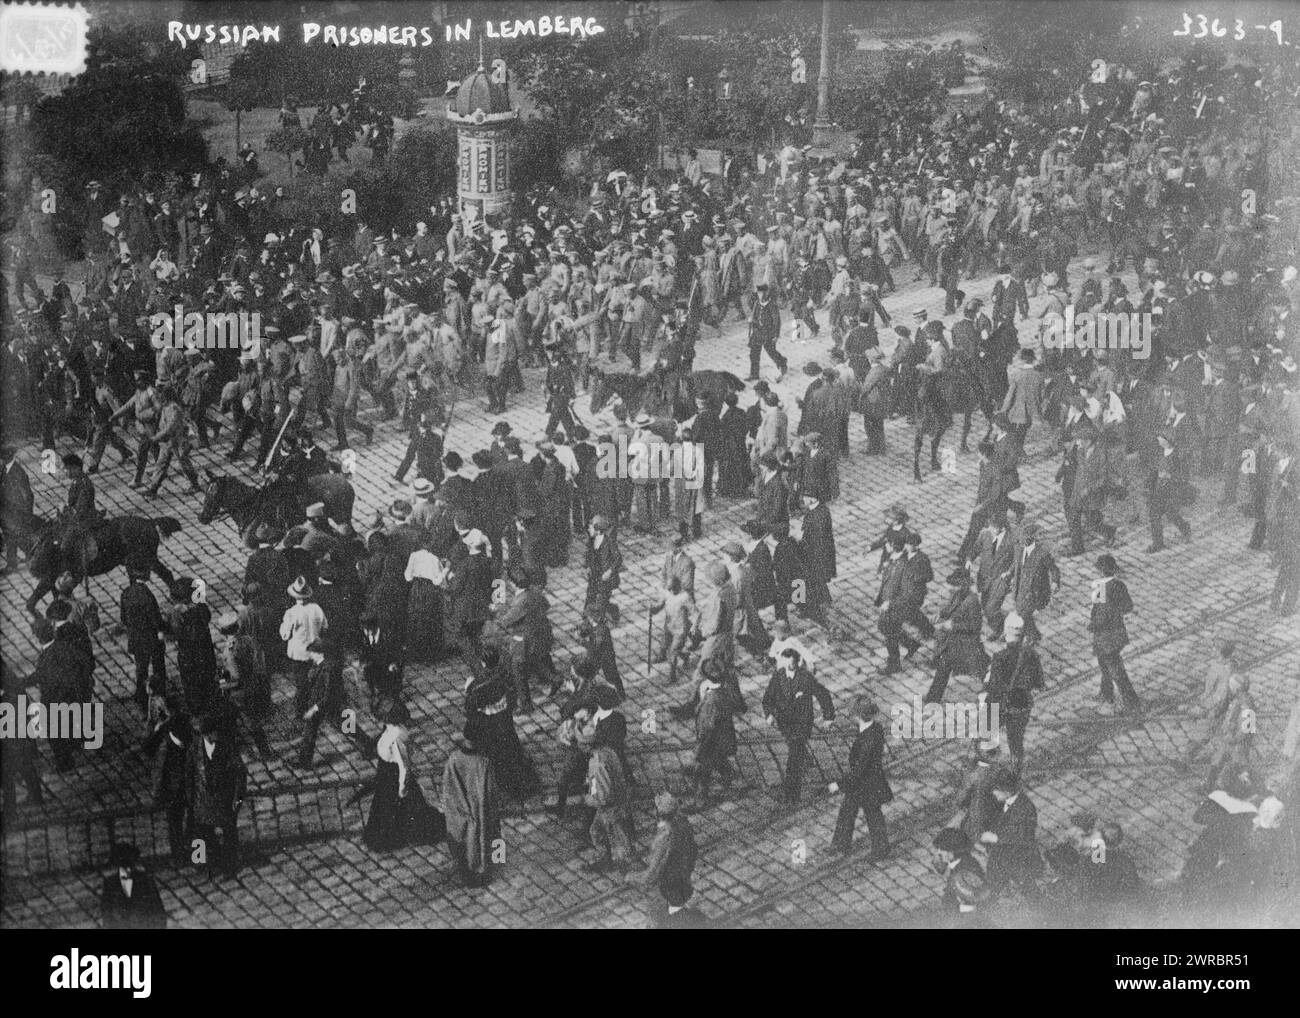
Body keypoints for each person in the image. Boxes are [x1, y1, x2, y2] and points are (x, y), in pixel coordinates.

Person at [361, 699, 443, 852]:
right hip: (385, 775)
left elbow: (404, 766)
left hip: (393, 778)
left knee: (399, 808)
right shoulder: (390, 729)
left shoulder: (398, 736)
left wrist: (402, 787)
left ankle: (395, 836)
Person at [762, 644, 834, 806]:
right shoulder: (778, 676)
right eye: (786, 664)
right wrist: (769, 714)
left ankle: (791, 795)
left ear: (797, 662)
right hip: (785, 723)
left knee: (794, 757)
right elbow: (767, 699)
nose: (789, 667)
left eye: (792, 664)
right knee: (795, 753)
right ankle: (801, 768)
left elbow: (822, 694)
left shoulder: (805, 677)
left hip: (802, 722)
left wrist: (828, 716)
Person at [184, 712, 248, 878]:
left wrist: (238, 799)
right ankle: (200, 864)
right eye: (213, 734)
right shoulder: (195, 749)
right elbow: (189, 775)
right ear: (206, 734)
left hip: (224, 800)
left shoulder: (227, 747)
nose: (216, 736)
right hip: (202, 800)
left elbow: (240, 774)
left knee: (229, 834)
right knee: (200, 835)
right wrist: (191, 800)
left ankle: (230, 866)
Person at [625, 791, 701, 928]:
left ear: (658, 813)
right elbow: (693, 851)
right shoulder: (684, 825)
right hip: (683, 878)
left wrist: (633, 877)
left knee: (656, 917)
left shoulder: (665, 835)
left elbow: (653, 871)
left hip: (667, 885)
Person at [830, 696, 892, 859]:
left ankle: (880, 849)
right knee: (848, 810)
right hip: (866, 781)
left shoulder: (867, 741)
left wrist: (839, 785)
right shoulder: (875, 728)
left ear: (857, 717)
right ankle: (841, 844)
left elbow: (858, 771)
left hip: (867, 784)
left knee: (872, 816)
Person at [442, 731, 501, 887]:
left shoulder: (454, 759)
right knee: (484, 837)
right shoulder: (484, 762)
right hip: (480, 808)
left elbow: (448, 787)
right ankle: (492, 863)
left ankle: (467, 871)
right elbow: (491, 791)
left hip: (460, 809)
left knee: (464, 840)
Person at [924, 568, 989, 703]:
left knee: (981, 670)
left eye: (956, 585)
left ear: (964, 585)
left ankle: (992, 693)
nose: (953, 588)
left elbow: (975, 626)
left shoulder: (973, 601)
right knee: (943, 667)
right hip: (954, 643)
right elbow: (950, 608)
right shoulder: (957, 595)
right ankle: (933, 698)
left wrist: (953, 625)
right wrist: (940, 615)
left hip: (968, 644)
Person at [1089, 553, 1141, 714]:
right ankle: (1106, 693)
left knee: (1115, 669)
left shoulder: (1102, 588)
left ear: (1101, 571)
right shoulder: (1118, 585)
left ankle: (1131, 701)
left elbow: (1101, 612)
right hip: (1114, 633)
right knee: (1104, 664)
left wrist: (1095, 624)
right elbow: (1128, 606)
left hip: (1106, 635)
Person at [981, 771, 1042, 901]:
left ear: (1007, 792)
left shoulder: (1025, 809)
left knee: (1028, 889)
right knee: (993, 887)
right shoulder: (1002, 801)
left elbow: (1023, 837)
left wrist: (995, 838)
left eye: (997, 790)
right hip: (1000, 856)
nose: (994, 793)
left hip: (1020, 858)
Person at [119, 566, 166, 711]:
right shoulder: (147, 595)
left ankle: (140, 694)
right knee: (158, 663)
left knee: (141, 667)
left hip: (136, 637)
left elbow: (123, 618)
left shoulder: (126, 593)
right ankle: (160, 690)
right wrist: (161, 629)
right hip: (151, 636)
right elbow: (155, 617)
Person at [99, 843, 166, 929]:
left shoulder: (145, 880)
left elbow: (158, 911)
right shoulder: (110, 883)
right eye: (123, 863)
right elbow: (106, 913)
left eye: (129, 863)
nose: (127, 868)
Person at [1, 444, 34, 573]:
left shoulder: (17, 471)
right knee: (15, 536)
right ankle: (28, 556)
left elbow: (27, 494)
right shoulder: (6, 469)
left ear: (7, 456)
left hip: (17, 511)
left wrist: (27, 513)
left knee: (14, 536)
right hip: (8, 511)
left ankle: (12, 564)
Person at [747, 283, 787, 381]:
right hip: (757, 332)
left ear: (767, 293)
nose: (760, 295)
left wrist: (776, 335)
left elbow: (777, 321)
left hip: (768, 333)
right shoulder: (757, 303)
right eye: (759, 293)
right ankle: (754, 374)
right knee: (754, 354)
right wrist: (752, 320)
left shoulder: (772, 305)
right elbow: (755, 316)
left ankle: (782, 362)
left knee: (771, 352)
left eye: (762, 293)